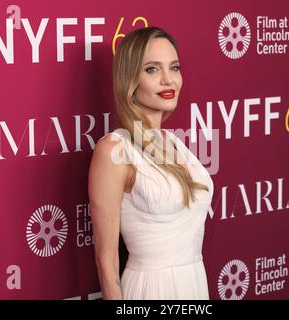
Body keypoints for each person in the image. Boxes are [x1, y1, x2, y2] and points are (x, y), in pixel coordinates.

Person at [88, 26, 214, 300]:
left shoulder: (175, 143)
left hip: (194, 285)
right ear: (130, 78)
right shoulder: (114, 149)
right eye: (152, 69)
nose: (169, 80)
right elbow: (106, 261)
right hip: (151, 290)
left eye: (175, 67)